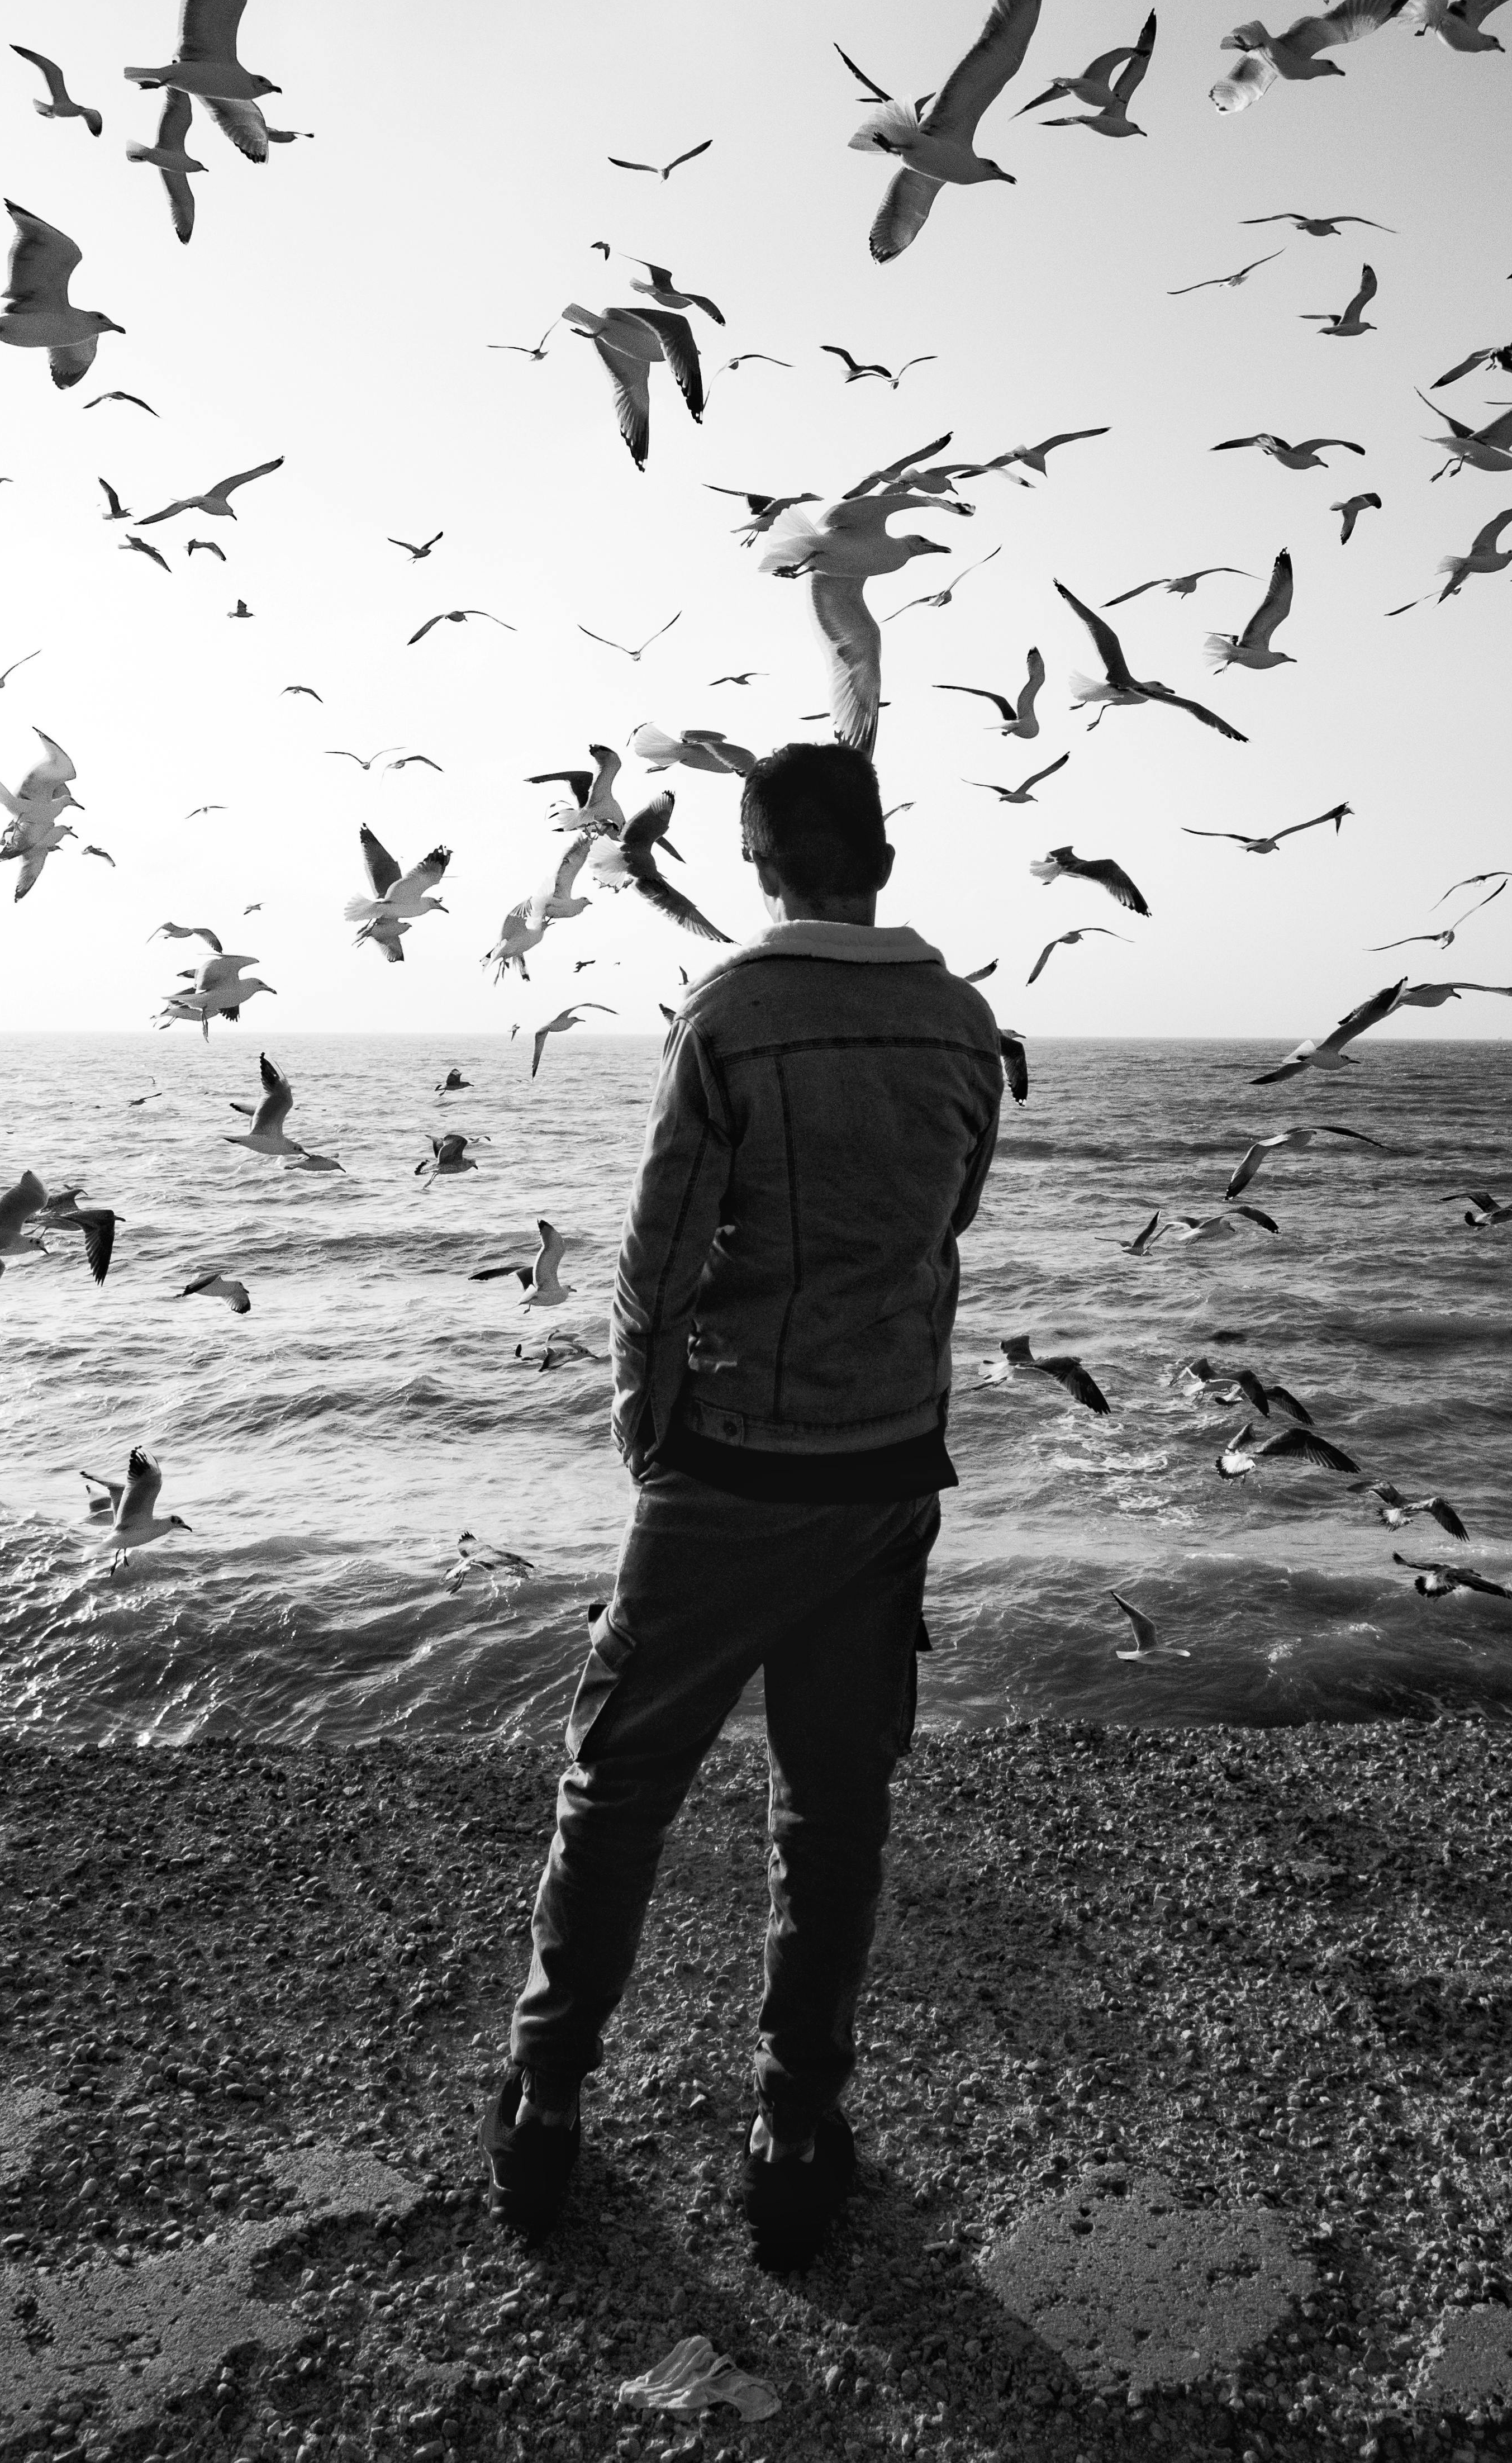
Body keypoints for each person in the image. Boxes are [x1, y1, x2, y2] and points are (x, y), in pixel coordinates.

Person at [484, 740, 1004, 2265]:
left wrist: (650, 1431)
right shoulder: (962, 1020)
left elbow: (655, 1256)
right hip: (887, 1468)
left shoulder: (730, 1013)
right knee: (832, 1809)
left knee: (618, 1784)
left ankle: (547, 2099)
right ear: (881, 852)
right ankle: (792, 2129)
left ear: (756, 852)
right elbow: (949, 1213)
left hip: (732, 1473)